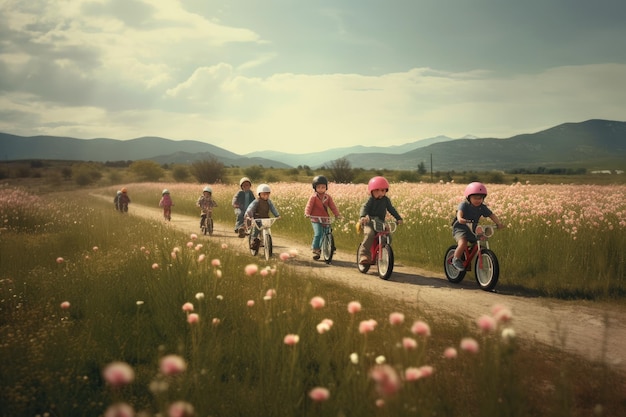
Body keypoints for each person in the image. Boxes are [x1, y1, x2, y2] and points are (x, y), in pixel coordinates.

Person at [451, 182, 505, 271]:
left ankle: (470, 255)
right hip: (460, 228)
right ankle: (455, 259)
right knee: (463, 242)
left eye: (480, 198)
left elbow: (491, 215)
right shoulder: (464, 205)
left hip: (472, 228)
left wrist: (498, 223)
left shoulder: (482, 207)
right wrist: (460, 218)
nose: (478, 200)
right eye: (475, 198)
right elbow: (459, 212)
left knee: (480, 240)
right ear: (469, 197)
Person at [358, 176, 403, 265]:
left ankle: (381, 252)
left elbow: (391, 209)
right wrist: (363, 216)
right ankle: (364, 254)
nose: (380, 193)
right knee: (370, 234)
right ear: (372, 191)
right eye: (377, 190)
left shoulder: (386, 200)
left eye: (383, 190)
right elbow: (364, 207)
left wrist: (398, 218)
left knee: (387, 236)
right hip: (369, 222)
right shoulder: (370, 200)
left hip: (380, 223)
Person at [304, 175, 342, 260]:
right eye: (319, 187)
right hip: (315, 219)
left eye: (323, 187)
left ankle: (330, 246)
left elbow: (333, 207)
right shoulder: (313, 197)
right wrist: (307, 213)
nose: (321, 189)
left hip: (325, 219)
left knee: (328, 232)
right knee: (318, 234)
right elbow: (309, 206)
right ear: (315, 188)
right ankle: (316, 249)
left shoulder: (328, 197)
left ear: (326, 187)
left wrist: (337, 215)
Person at [245, 183, 280, 251]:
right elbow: (250, 209)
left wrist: (277, 215)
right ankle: (253, 241)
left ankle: (266, 240)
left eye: (267, 194)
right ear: (259, 194)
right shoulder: (256, 201)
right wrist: (250, 216)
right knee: (256, 230)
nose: (266, 196)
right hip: (257, 219)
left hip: (266, 218)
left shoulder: (269, 202)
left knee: (267, 228)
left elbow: (273, 208)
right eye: (264, 194)